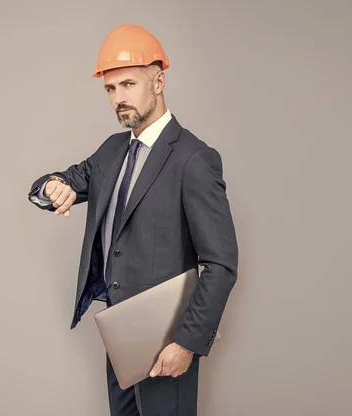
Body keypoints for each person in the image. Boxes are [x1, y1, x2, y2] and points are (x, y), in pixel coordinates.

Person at [28, 23, 239, 416]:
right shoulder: (111, 151)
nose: (118, 99)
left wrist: (187, 343)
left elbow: (222, 264)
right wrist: (53, 187)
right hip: (120, 337)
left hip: (167, 339)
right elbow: (61, 181)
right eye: (110, 89)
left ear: (158, 81)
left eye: (128, 85)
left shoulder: (194, 159)